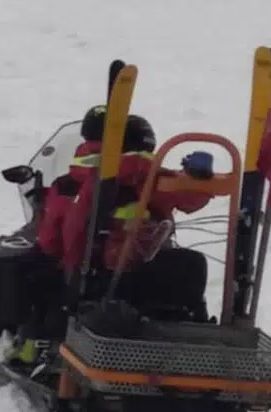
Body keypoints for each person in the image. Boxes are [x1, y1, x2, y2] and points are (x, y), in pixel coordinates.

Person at [59, 111, 214, 321]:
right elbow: (189, 197)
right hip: (119, 270)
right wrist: (199, 179)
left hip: (86, 273)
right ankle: (191, 322)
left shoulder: (74, 175)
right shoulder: (141, 172)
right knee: (192, 264)